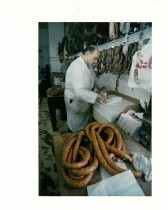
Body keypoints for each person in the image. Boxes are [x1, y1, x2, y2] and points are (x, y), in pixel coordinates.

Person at [64, 45, 107, 132]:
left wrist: (102, 87)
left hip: (82, 102)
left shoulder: (88, 65)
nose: (96, 61)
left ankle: (82, 136)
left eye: (97, 59)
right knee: (75, 128)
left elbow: (94, 79)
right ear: (87, 54)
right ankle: (72, 137)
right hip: (74, 100)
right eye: (95, 58)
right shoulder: (77, 67)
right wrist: (98, 95)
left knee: (83, 128)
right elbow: (79, 91)